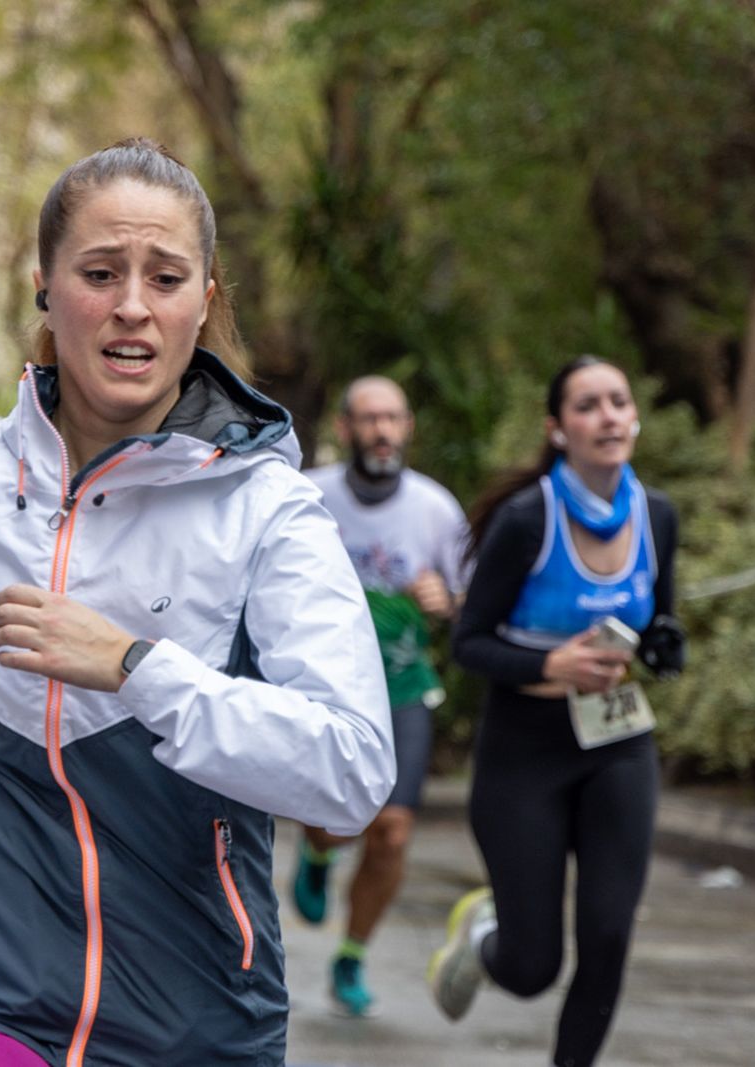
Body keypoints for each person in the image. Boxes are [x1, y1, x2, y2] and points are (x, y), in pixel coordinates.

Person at [0, 137, 395, 1067]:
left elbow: (352, 772)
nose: (131, 305)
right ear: (44, 283)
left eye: (165, 277)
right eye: (99, 271)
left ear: (206, 297)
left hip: (196, 1012)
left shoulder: (267, 512)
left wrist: (137, 668)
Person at [429, 356, 683, 1067]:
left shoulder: (656, 514)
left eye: (618, 402)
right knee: (533, 964)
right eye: (588, 405)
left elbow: (664, 622)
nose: (608, 416)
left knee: (607, 936)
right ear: (558, 428)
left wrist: (663, 647)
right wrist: (551, 663)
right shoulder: (526, 518)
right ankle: (484, 938)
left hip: (617, 742)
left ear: (634, 419)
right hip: (525, 749)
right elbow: (469, 644)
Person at [291, 377, 467, 1015]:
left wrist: (446, 603)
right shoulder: (308, 493)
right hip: (321, 684)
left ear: (408, 425)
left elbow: (471, 598)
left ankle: (352, 956)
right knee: (335, 815)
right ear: (345, 429)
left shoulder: (436, 509)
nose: (382, 431)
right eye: (369, 419)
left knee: (391, 831)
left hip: (402, 686)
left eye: (392, 418)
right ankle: (316, 850)